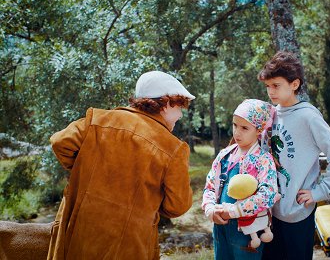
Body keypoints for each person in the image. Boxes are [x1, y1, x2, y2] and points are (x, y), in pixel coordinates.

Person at [47, 71, 195, 260]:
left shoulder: (97, 120)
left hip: (78, 236)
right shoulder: (173, 149)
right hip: (130, 246)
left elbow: (60, 143)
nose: (181, 114)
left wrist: (85, 174)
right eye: (180, 106)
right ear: (166, 104)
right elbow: (177, 207)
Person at [258, 51, 330, 260]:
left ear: (294, 84)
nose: (270, 91)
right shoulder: (271, 114)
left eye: (276, 85)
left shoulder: (308, 116)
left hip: (297, 213)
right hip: (270, 212)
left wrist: (321, 191)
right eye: (267, 86)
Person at [202, 99, 279, 260]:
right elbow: (210, 185)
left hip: (248, 233)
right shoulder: (225, 154)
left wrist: (234, 211)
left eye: (244, 128)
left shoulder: (263, 159)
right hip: (221, 228)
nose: (237, 132)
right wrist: (209, 208)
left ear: (259, 130)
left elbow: (268, 194)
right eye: (235, 125)